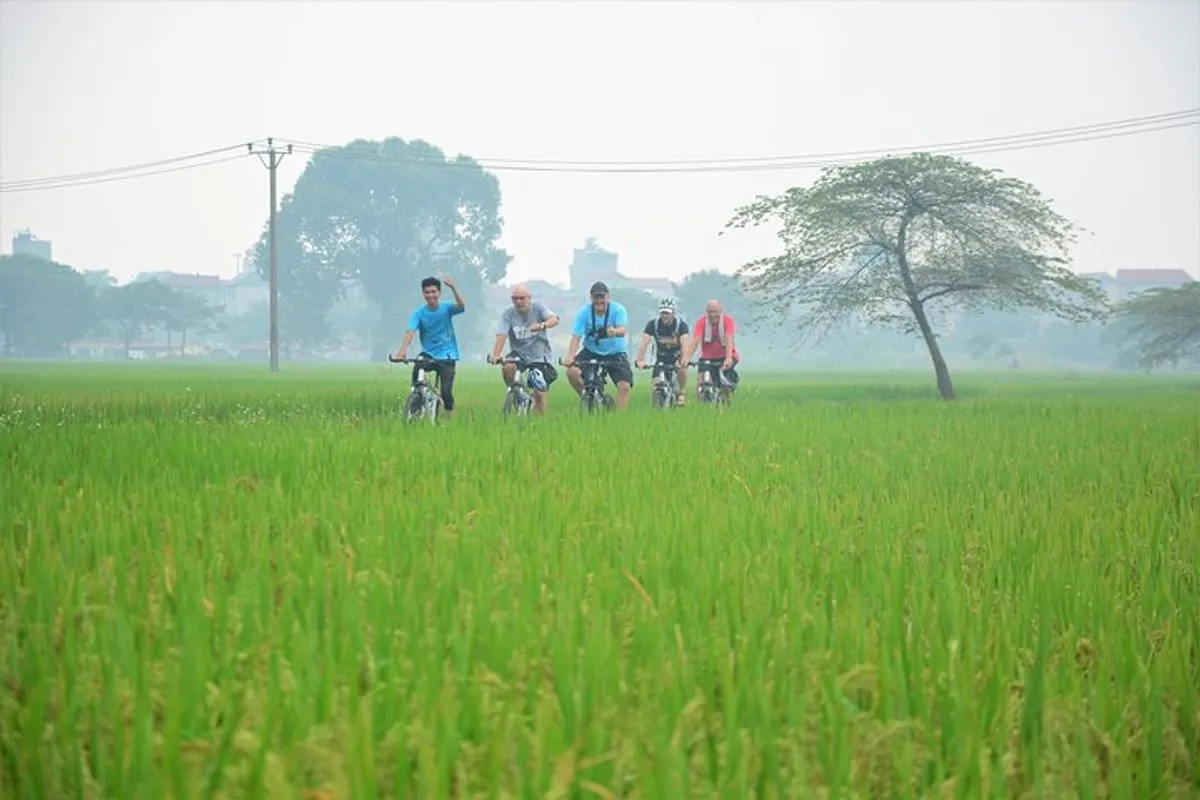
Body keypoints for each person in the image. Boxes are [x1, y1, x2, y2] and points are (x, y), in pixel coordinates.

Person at [392, 275, 466, 418]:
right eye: (427, 292)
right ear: (423, 294)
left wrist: (454, 288)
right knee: (418, 367)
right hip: (429, 353)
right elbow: (410, 331)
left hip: (447, 355)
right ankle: (416, 400)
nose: (430, 295)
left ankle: (449, 412)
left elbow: (461, 306)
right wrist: (402, 351)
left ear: (439, 293)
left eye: (433, 292)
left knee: (446, 392)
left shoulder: (446, 308)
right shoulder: (419, 313)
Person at [487, 283, 561, 415]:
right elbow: (501, 335)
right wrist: (496, 354)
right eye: (515, 299)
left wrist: (541, 326)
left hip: (539, 355)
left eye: (522, 298)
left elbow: (554, 319)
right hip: (518, 354)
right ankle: (519, 393)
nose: (519, 302)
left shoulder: (539, 308)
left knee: (539, 391)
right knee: (507, 368)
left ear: (529, 298)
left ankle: (540, 422)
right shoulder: (508, 314)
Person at [563, 281, 634, 410]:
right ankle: (587, 398)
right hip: (591, 351)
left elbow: (622, 330)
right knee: (572, 372)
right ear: (591, 298)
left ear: (608, 297)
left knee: (624, 386)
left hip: (615, 353)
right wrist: (570, 356)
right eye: (596, 297)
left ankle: (620, 418)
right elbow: (576, 336)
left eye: (602, 297)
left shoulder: (618, 310)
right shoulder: (584, 313)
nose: (599, 301)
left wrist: (615, 332)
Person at [634, 296, 690, 405]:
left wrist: (684, 359)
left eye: (667, 313)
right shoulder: (653, 324)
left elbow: (685, 344)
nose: (665, 316)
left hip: (676, 356)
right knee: (656, 384)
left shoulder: (681, 325)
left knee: (682, 369)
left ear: (673, 313)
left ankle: (682, 392)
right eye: (663, 313)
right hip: (661, 357)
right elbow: (644, 343)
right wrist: (640, 360)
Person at [684, 298, 740, 402]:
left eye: (715, 312)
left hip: (726, 356)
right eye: (710, 312)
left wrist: (728, 358)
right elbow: (695, 340)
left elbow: (729, 339)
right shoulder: (701, 322)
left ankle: (725, 405)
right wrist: (686, 358)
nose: (713, 315)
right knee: (701, 381)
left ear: (720, 311)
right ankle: (701, 405)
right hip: (707, 357)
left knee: (724, 384)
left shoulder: (728, 321)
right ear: (706, 312)